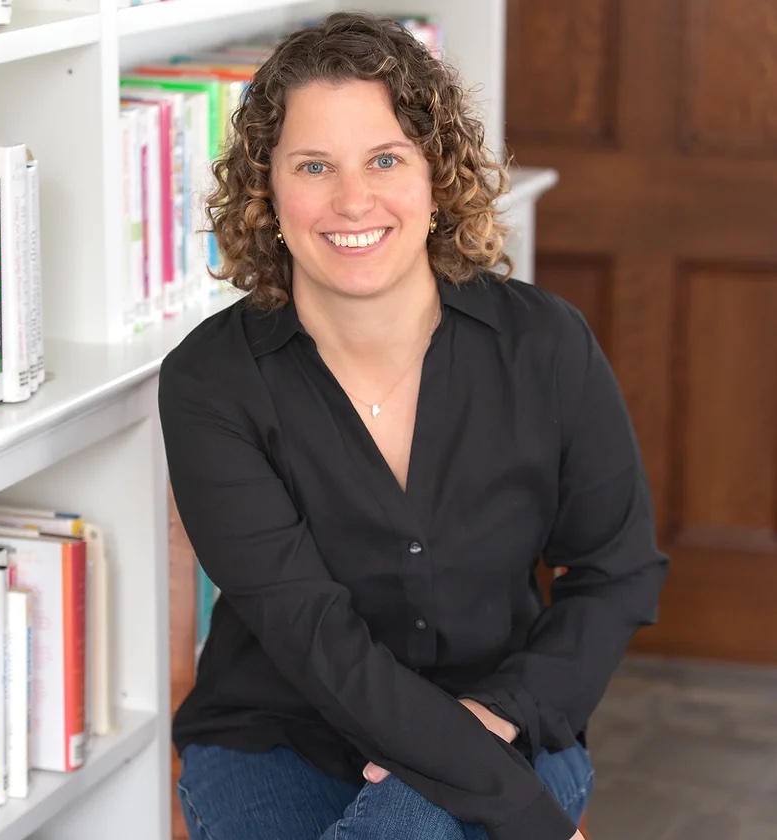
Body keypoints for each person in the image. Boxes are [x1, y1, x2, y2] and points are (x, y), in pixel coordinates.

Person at [158, 12, 668, 840]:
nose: (352, 200)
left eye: (385, 159)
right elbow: (316, 641)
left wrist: (506, 714)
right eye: (313, 165)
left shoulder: (544, 344)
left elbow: (616, 569)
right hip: (282, 734)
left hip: (511, 712)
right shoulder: (210, 383)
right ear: (267, 190)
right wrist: (533, 822)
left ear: (437, 176)